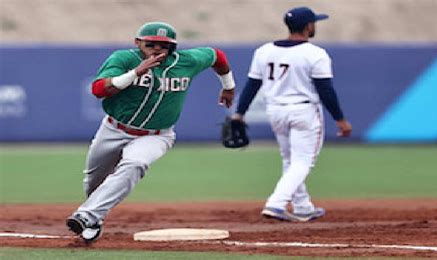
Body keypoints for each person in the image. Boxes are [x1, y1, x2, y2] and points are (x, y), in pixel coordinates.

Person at [66, 21, 235, 242]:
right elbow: (99, 90)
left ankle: (87, 216)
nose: (157, 49)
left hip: (156, 135)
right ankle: (95, 216)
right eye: (151, 43)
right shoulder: (124, 59)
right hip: (113, 129)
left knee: (135, 164)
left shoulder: (187, 61)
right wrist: (135, 73)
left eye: (164, 45)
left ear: (173, 48)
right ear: (138, 43)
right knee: (93, 182)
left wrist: (228, 85)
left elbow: (216, 56)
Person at [232, 7, 352, 222]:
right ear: (308, 26)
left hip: (276, 111)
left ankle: (303, 206)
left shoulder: (264, 50)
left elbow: (252, 85)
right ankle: (276, 203)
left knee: (290, 159)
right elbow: (325, 89)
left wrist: (239, 113)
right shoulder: (315, 53)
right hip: (303, 111)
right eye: (314, 22)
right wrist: (340, 119)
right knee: (303, 162)